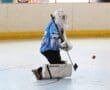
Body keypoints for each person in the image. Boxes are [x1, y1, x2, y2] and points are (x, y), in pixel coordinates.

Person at [32, 9, 72, 80]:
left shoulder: (59, 26)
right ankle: (39, 72)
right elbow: (53, 42)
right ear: (58, 17)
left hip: (54, 49)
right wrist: (61, 46)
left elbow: (62, 39)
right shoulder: (53, 26)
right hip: (48, 49)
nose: (63, 19)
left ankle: (43, 70)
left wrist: (66, 46)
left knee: (59, 64)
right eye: (62, 17)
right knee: (57, 66)